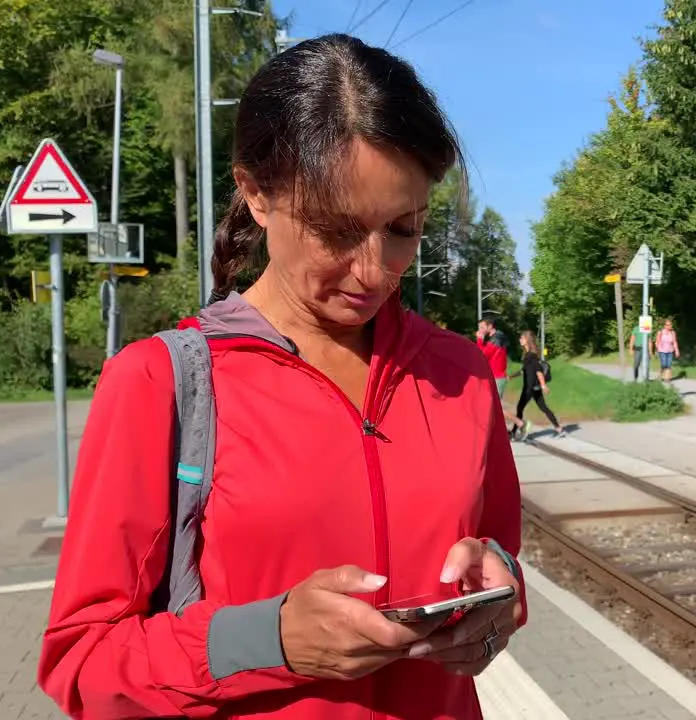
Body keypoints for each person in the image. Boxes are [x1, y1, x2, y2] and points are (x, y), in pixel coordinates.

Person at [37, 35, 526, 720]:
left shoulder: (461, 374)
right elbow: (82, 663)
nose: (374, 269)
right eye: (335, 229)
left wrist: (499, 600)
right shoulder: (161, 382)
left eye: (403, 229)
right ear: (256, 194)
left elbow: (501, 554)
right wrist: (264, 639)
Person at [513, 331, 566, 440]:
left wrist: (543, 385)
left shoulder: (531, 355)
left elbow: (538, 371)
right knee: (543, 408)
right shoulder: (528, 355)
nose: (520, 340)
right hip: (533, 387)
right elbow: (524, 370)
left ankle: (514, 432)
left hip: (530, 387)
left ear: (527, 340)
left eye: (522, 338)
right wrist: (511, 377)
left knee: (520, 408)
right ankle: (559, 429)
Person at [475, 316, 509, 399]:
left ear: (490, 326)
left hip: (497, 377)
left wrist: (479, 340)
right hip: (493, 376)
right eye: (479, 328)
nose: (480, 330)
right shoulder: (493, 338)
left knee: (492, 405)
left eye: (482, 327)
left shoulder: (497, 338)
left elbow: (482, 355)